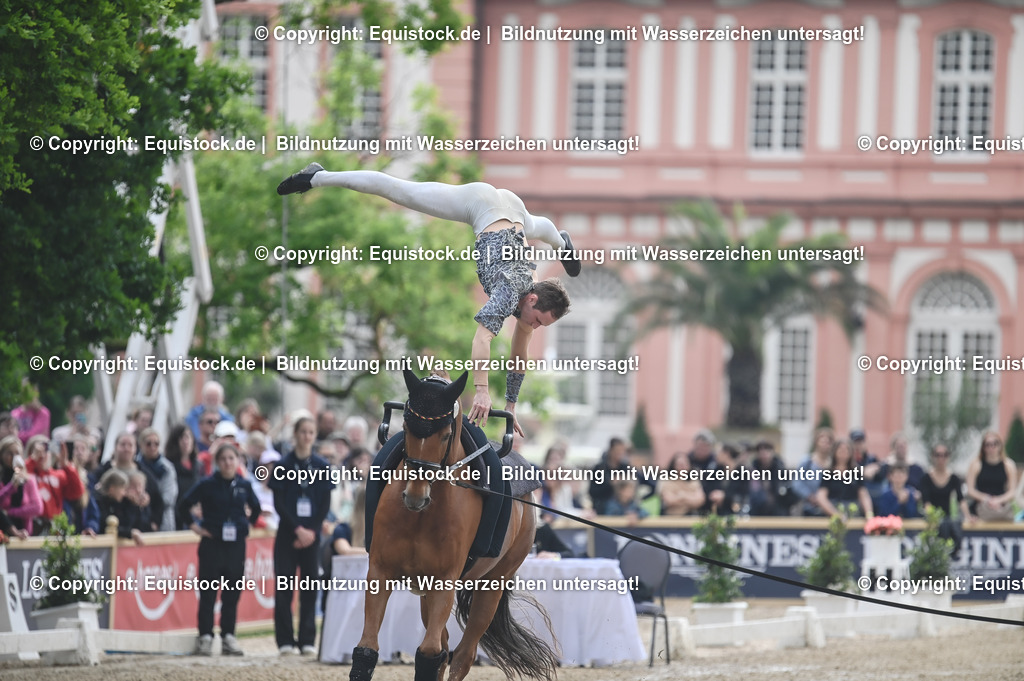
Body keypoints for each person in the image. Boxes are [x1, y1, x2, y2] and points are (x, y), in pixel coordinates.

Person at [277, 166, 578, 436]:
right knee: (397, 190)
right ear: (532, 298)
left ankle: (561, 242)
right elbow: (482, 339)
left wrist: (511, 406)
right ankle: (317, 177)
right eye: (538, 321)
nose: (534, 327)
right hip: (481, 204)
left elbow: (519, 355)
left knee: (539, 227)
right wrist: (482, 391)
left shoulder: (530, 296)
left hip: (515, 211)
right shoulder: (510, 290)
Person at [178, 444, 261, 657]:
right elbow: (184, 505)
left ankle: (228, 636)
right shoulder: (207, 484)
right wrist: (196, 527)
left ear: (238, 461)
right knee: (208, 592)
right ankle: (205, 636)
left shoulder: (244, 485)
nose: (227, 463)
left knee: (232, 593)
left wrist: (247, 525)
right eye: (223, 459)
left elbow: (256, 507)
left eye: (231, 458)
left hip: (235, 546)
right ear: (217, 462)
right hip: (212, 543)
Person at [268, 415, 333, 656]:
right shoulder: (283, 465)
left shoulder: (322, 466)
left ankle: (307, 639)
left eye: (311, 432)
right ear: (295, 434)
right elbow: (278, 503)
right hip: (288, 534)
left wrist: (311, 531)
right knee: (284, 588)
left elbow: (325, 503)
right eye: (303, 431)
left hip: (312, 536)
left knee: (310, 587)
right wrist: (297, 529)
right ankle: (285, 640)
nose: (307, 436)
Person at [25, 435, 84, 534]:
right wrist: (32, 460)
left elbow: (77, 492)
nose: (42, 455)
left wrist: (66, 465)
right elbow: (21, 477)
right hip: (32, 527)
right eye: (37, 451)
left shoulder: (58, 475)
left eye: (45, 450)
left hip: (54, 528)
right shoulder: (28, 473)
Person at [966, 431, 1018, 522]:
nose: (991, 447)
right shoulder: (976, 464)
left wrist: (998, 500)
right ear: (983, 447)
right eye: (988, 444)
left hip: (1002, 509)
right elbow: (970, 490)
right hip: (980, 508)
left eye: (995, 443)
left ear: (1000, 445)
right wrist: (987, 499)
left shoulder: (1009, 465)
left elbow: (1012, 492)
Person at [0, 436, 43, 537]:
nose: (14, 457)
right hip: (3, 535)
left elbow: (37, 507)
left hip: (24, 534)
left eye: (17, 453)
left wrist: (10, 512)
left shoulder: (29, 480)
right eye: (10, 453)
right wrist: (11, 487)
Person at [136, 428, 177, 531]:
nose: (153, 447)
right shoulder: (135, 466)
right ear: (141, 445)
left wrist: (151, 502)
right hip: (139, 516)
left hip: (164, 520)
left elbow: (169, 496)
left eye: (156, 444)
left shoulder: (167, 468)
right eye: (148, 444)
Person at [919, 443, 973, 522]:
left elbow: (961, 500)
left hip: (947, 519)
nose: (941, 458)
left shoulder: (953, 478)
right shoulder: (926, 478)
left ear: (948, 457)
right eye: (938, 455)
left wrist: (968, 516)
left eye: (944, 455)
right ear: (933, 457)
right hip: (931, 520)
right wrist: (933, 517)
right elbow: (926, 502)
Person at [93, 469, 146, 545]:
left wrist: (132, 504)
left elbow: (129, 523)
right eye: (123, 489)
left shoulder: (119, 502)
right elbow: (105, 525)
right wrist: (129, 533)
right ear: (112, 489)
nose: (124, 493)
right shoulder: (98, 502)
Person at [166, 423, 201, 529]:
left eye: (188, 437)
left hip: (196, 517)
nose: (186, 441)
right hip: (176, 517)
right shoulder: (168, 466)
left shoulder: (199, 466)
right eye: (182, 438)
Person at [793, 427, 834, 516]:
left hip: (830, 507)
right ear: (816, 442)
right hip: (809, 507)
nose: (824, 445)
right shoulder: (807, 462)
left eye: (827, 442)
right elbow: (797, 483)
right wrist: (809, 496)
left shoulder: (833, 464)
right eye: (822, 442)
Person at [747, 440, 793, 516]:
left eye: (767, 451)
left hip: (779, 509)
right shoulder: (752, 470)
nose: (764, 455)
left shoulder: (781, 470)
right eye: (761, 452)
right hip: (757, 509)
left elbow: (787, 491)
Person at [658, 452, 705, 516]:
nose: (683, 467)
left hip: (691, 516)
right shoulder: (666, 481)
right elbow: (669, 500)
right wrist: (691, 497)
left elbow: (700, 500)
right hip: (671, 517)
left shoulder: (694, 481)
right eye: (680, 464)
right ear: (674, 466)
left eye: (685, 464)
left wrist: (682, 496)